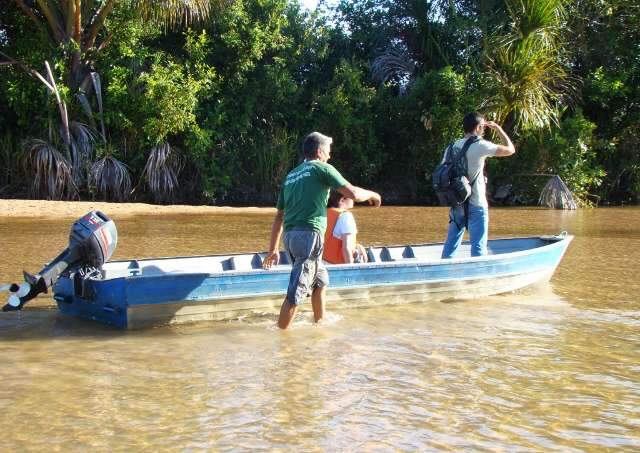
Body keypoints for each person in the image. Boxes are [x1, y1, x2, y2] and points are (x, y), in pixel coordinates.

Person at [262, 131, 382, 329]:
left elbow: (279, 216)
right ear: (319, 152)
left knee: (320, 281)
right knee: (296, 293)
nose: (329, 155)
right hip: (309, 236)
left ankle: (320, 325)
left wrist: (273, 249)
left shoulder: (291, 176)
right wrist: (374, 195)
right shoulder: (321, 168)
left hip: (291, 238)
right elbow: (352, 193)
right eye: (328, 151)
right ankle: (280, 341)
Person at [441, 112, 515, 258]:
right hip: (477, 203)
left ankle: (444, 275)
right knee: (478, 248)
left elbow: (444, 170)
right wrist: (498, 129)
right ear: (478, 127)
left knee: (450, 246)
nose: (484, 130)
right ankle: (478, 279)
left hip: (457, 203)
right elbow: (510, 150)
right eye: (483, 127)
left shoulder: (451, 147)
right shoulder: (481, 145)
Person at [323, 191, 368, 264]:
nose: (354, 199)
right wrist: (350, 269)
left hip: (320, 263)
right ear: (342, 200)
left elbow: (329, 237)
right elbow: (347, 248)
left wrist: (356, 245)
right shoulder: (346, 216)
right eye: (352, 197)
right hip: (335, 266)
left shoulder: (323, 213)